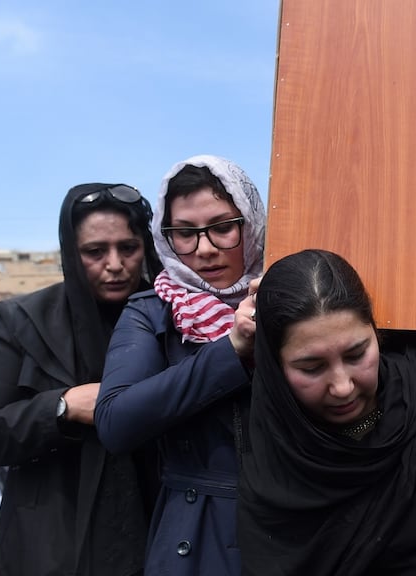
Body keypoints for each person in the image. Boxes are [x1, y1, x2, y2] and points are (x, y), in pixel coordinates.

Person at [237, 249, 416, 575]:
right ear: (275, 368)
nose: (343, 387)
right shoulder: (278, 472)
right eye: (312, 367)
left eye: (356, 354)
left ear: (376, 333)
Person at [94, 156, 263, 576]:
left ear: (254, 223)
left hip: (299, 521)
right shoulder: (153, 311)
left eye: (223, 227)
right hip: (197, 534)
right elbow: (116, 421)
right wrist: (231, 349)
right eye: (185, 233)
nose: (204, 249)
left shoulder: (294, 295)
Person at [0, 184, 161, 575]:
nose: (114, 264)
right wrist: (61, 408)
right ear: (72, 252)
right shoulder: (23, 321)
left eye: (128, 248)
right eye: (95, 252)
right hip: (49, 544)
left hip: (152, 534)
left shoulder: (171, 318)